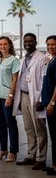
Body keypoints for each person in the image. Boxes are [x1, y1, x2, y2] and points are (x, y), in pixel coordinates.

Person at [14, 33, 49, 171]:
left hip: (36, 98)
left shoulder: (42, 58)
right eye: (26, 41)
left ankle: (41, 158)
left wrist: (41, 100)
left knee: (39, 129)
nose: (28, 43)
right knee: (28, 128)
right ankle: (31, 155)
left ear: (35, 42)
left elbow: (44, 80)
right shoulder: (24, 58)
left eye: (30, 41)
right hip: (23, 96)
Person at [0, 36, 20, 162]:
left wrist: (10, 96)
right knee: (1, 124)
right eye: (0, 44)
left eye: (5, 44)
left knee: (11, 124)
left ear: (9, 45)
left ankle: (13, 151)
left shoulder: (14, 60)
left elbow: (15, 80)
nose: (2, 46)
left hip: (6, 97)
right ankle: (3, 149)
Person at [42, 35, 56, 175]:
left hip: (53, 105)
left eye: (53, 44)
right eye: (49, 44)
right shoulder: (51, 60)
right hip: (48, 103)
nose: (51, 47)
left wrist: (52, 103)